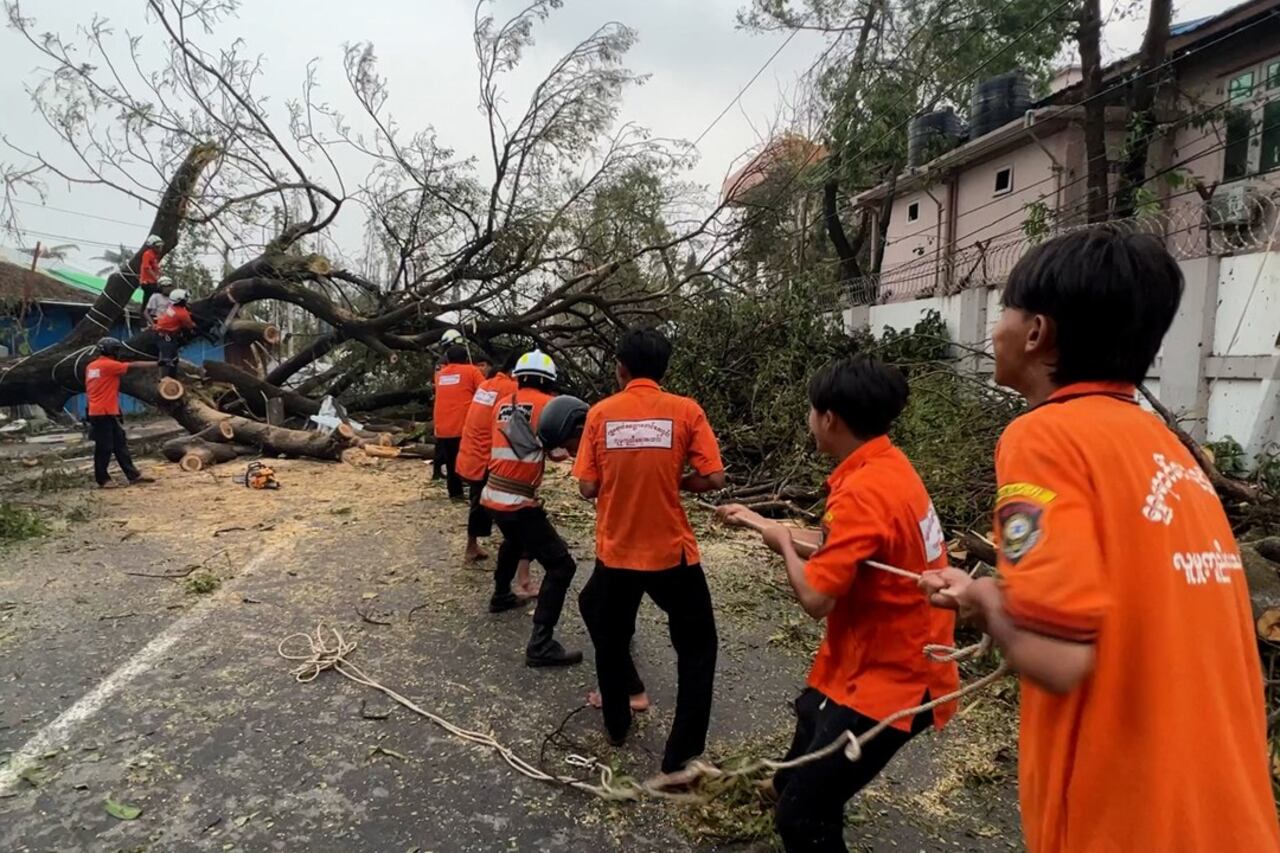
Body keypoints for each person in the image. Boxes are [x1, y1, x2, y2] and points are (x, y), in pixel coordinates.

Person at [919, 227, 1280, 853]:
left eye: (1003, 309)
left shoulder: (1043, 439)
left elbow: (1058, 658)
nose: (993, 329)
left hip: (1126, 821)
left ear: (1036, 333)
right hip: (1231, 820)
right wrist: (993, 592)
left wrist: (985, 602)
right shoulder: (1170, 451)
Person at [718, 354, 958, 851]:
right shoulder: (888, 467)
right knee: (811, 710)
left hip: (893, 677)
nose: (809, 420)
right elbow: (844, 545)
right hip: (872, 652)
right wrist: (761, 522)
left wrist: (783, 544)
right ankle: (786, 784)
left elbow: (816, 597)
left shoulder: (864, 492)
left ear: (829, 418)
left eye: (811, 411)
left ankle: (799, 801)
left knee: (803, 820)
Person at [572, 328, 725, 784]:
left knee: (612, 635)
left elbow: (586, 488)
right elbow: (714, 479)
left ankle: (617, 726)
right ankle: (679, 759)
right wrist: (675, 481)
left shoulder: (600, 414)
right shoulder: (685, 411)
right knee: (698, 649)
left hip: (616, 552)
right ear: (664, 370)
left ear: (621, 368)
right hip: (672, 554)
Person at [481, 350, 583, 667]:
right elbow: (555, 452)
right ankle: (540, 644)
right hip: (519, 499)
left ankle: (501, 595)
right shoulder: (548, 405)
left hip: (492, 493)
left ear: (519, 376)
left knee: (514, 540)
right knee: (561, 566)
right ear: (548, 381)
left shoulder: (502, 404)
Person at [456, 351, 535, 592]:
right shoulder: (509, 389)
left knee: (478, 502)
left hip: (471, 453)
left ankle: (472, 545)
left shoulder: (488, 384)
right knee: (518, 516)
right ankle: (521, 577)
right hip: (487, 458)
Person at [84, 337, 157, 489]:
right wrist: (158, 363)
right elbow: (134, 365)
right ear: (110, 351)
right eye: (116, 350)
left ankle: (133, 475)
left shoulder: (92, 366)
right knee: (105, 447)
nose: (117, 353)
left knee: (119, 443)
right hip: (103, 412)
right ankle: (103, 479)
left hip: (101, 411)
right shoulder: (109, 365)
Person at [433, 344, 485, 501]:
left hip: (442, 426)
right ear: (466, 358)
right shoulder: (472, 371)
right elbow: (485, 389)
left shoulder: (440, 375)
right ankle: (475, 493)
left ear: (448, 359)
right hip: (464, 425)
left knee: (451, 461)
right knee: (471, 460)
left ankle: (455, 493)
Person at [153, 287, 195, 379]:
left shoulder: (171, 307)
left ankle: (171, 378)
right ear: (180, 301)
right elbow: (190, 326)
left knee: (173, 359)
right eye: (185, 299)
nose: (187, 300)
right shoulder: (182, 313)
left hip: (160, 333)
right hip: (167, 338)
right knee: (167, 361)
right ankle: (164, 381)